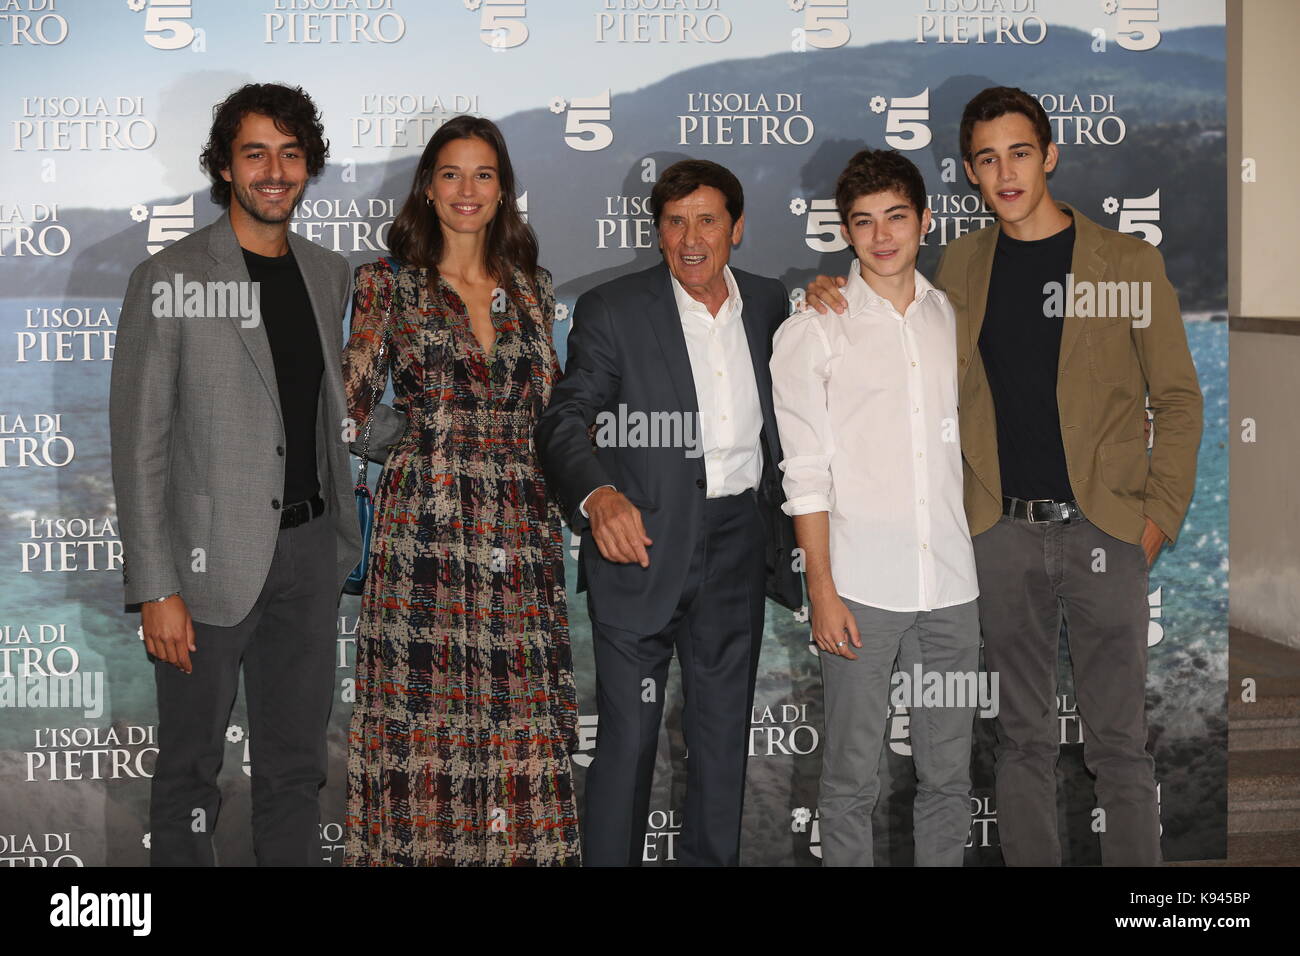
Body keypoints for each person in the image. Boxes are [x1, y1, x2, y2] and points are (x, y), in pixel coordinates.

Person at [805, 87, 1202, 866]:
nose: (1006, 170)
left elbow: (1179, 400)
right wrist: (828, 289)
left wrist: (1156, 518)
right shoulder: (965, 264)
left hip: (1106, 534)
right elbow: (894, 320)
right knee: (1020, 742)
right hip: (1000, 538)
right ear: (970, 174)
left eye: (1020, 152)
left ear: (1049, 155)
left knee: (1118, 745)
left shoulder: (1126, 262)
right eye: (988, 158)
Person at [110, 83, 360, 866]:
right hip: (203, 568)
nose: (275, 170)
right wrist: (156, 586)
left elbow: (328, 410)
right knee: (189, 775)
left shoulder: (329, 274)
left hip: (309, 556)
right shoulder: (170, 276)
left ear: (309, 166)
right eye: (256, 153)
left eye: (291, 154)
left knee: (295, 770)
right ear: (224, 166)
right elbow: (139, 444)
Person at [536, 159, 802, 867]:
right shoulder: (615, 310)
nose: (690, 238)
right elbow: (564, 419)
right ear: (656, 231)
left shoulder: (773, 304)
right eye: (675, 222)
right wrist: (599, 496)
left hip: (738, 543)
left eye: (707, 220)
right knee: (625, 747)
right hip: (639, 547)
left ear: (737, 229)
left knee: (721, 747)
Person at [342, 115, 579, 866]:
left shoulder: (533, 289)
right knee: (425, 736)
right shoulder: (387, 283)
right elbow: (347, 408)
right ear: (427, 188)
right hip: (425, 538)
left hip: (522, 539)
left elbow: (553, 408)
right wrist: (422, 443)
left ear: (503, 188)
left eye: (483, 174)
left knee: (521, 732)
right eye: (451, 174)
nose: (467, 190)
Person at [771, 149, 979, 867]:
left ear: (925, 220)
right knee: (852, 778)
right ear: (845, 231)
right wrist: (821, 590)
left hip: (953, 587)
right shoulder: (814, 329)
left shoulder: (950, 316)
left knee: (950, 776)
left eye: (896, 217)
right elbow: (804, 472)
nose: (882, 235)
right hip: (860, 589)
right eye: (864, 222)